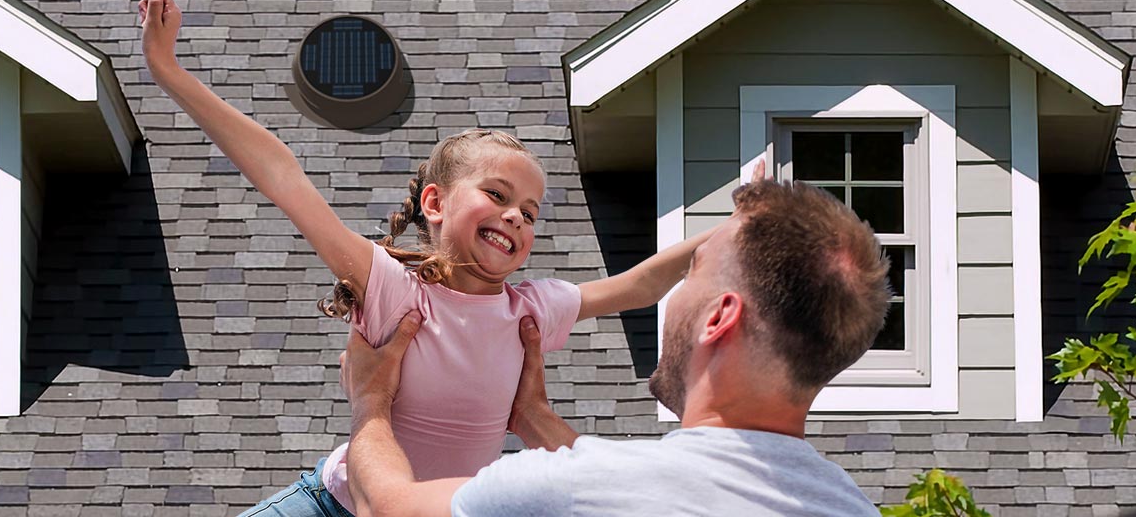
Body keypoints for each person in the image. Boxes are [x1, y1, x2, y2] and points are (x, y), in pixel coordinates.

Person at [137, 0, 719, 517]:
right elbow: (283, 176)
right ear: (435, 203)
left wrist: (733, 229)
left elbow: (641, 285)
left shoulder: (530, 311)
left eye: (531, 212)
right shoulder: (394, 289)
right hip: (332, 505)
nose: (516, 215)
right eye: (497, 194)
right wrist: (168, 69)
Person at [340, 180, 891, 516]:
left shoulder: (578, 489)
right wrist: (533, 420)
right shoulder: (853, 506)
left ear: (719, 318)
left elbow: (389, 510)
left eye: (694, 272)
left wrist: (370, 404)